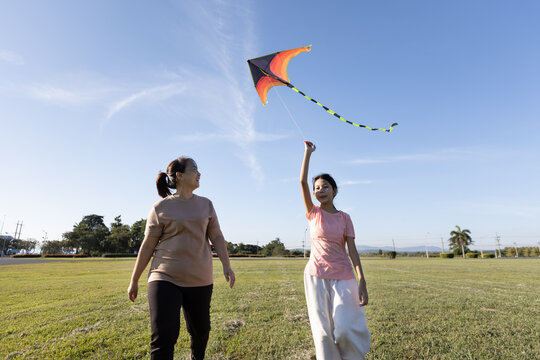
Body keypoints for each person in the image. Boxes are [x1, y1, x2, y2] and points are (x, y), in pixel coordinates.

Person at [128, 156, 235, 360]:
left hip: (200, 279)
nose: (199, 173)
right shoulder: (160, 208)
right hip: (164, 277)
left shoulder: (206, 205)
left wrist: (226, 265)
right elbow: (148, 245)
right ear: (179, 175)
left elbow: (217, 237)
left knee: (201, 332)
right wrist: (134, 280)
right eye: (194, 169)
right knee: (164, 335)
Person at [300, 141, 371, 360]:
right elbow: (302, 181)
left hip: (343, 276)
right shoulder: (313, 213)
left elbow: (353, 251)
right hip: (316, 276)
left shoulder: (345, 218)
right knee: (322, 334)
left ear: (335, 191)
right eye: (317, 188)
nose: (320, 191)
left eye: (325, 187)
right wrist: (307, 153)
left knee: (345, 328)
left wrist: (362, 280)